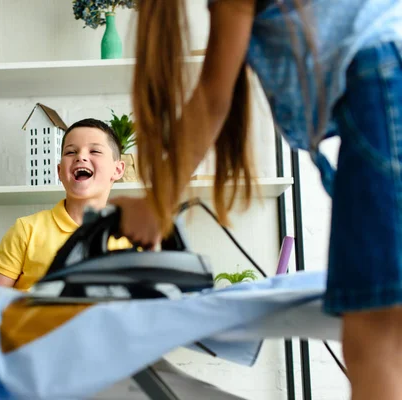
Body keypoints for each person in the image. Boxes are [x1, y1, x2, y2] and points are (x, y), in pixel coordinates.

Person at [110, 1, 402, 399]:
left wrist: (155, 203)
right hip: (379, 95)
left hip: (383, 94)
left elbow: (213, 97)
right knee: (379, 332)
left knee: (374, 336)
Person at [0, 118, 131, 290]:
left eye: (94, 151)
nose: (81, 157)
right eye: (71, 152)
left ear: (118, 170)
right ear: (60, 171)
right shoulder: (27, 229)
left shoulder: (131, 237)